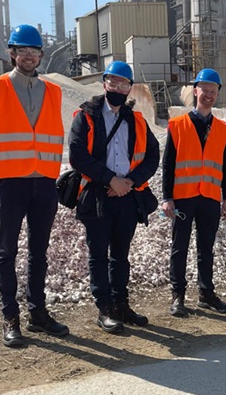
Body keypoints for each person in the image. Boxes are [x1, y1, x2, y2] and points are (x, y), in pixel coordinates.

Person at [0, 24, 69, 347]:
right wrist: (1, 170)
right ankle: (10, 317)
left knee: (39, 252)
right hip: (11, 184)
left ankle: (38, 313)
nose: (28, 56)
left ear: (41, 55)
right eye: (22, 50)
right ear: (12, 53)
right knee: (7, 251)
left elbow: (54, 135)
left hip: (43, 183)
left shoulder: (53, 91)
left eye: (34, 51)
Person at [68, 61, 160, 334]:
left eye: (124, 84)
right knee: (98, 254)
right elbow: (77, 155)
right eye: (114, 82)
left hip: (127, 196)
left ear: (130, 88)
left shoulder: (137, 120)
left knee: (120, 255)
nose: (118, 88)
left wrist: (129, 182)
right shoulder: (86, 116)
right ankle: (104, 308)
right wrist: (111, 180)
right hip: (97, 195)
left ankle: (121, 304)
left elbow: (153, 156)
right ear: (104, 82)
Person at [161, 68, 226, 317]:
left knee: (206, 248)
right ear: (195, 91)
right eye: (205, 90)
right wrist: (166, 198)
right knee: (179, 247)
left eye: (213, 91)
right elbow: (168, 164)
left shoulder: (222, 129)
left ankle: (206, 293)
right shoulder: (178, 126)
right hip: (183, 197)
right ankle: (178, 296)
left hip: (210, 197)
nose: (209, 95)